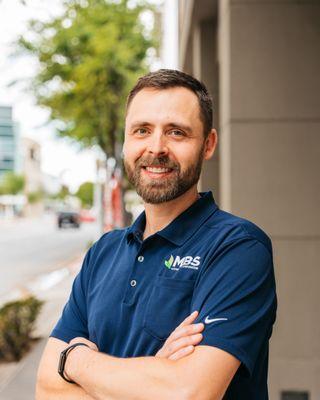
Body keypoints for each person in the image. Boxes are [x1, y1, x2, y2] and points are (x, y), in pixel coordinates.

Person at [36, 69, 277, 399]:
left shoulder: (237, 248)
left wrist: (76, 360)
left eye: (176, 132)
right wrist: (157, 373)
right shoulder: (102, 252)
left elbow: (188, 392)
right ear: (125, 141)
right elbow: (47, 388)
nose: (156, 147)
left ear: (208, 144)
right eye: (142, 130)